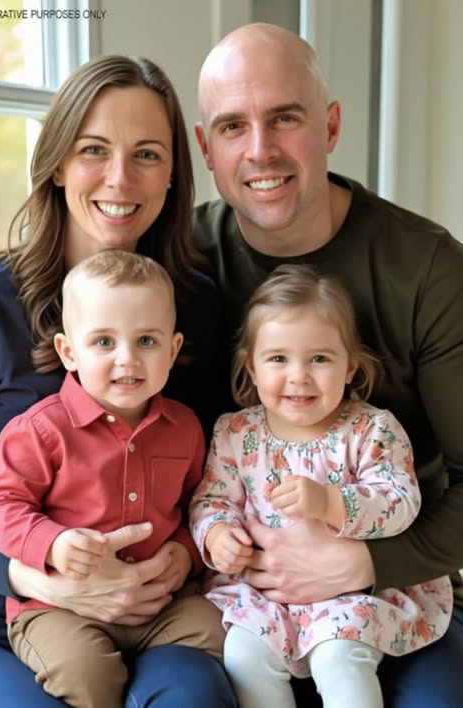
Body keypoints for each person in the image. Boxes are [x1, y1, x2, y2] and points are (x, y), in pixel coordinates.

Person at [0, 55, 235, 707]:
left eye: (147, 154)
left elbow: (209, 477)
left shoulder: (197, 305)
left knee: (191, 695)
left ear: (173, 176)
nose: (120, 178)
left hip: (152, 611)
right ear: (57, 163)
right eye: (93, 149)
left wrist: (185, 556)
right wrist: (40, 578)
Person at [192, 21, 463, 708]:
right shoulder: (182, 258)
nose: (260, 149)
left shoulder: (427, 267)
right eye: (233, 126)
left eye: (285, 118)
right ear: (205, 147)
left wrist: (362, 562)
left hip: (393, 585)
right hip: (248, 599)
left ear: (331, 125)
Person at [190, 264, 453, 708]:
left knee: (337, 657)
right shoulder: (236, 432)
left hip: (349, 595)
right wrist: (218, 535)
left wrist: (332, 502)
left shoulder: (371, 430)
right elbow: (211, 500)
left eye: (319, 359)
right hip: (267, 595)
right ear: (250, 366)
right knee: (243, 655)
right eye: (278, 359)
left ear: (350, 366)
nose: (299, 376)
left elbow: (399, 502)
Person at [0, 249, 225, 708]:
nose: (127, 359)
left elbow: (199, 507)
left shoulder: (186, 428)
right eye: (104, 342)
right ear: (68, 352)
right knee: (86, 672)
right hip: (60, 608)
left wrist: (186, 554)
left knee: (225, 630)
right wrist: (52, 543)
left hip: (160, 605)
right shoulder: (41, 430)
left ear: (173, 350)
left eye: (146, 341)